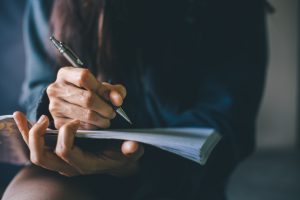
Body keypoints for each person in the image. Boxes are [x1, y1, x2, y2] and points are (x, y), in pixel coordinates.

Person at [2, 0, 267, 199]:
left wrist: (140, 165)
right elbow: (35, 91)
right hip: (71, 166)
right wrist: (58, 108)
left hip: (177, 178)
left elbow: (228, 124)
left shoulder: (234, 7)